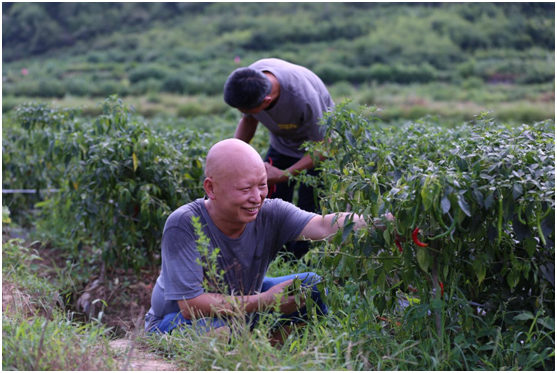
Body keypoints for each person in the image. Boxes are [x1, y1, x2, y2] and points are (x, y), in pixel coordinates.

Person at [144, 139, 391, 340]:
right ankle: (249, 346)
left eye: (262, 185)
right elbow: (190, 305)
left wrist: (386, 221)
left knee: (310, 285)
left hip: (243, 303)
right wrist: (263, 301)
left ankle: (272, 348)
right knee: (219, 333)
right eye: (244, 189)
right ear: (211, 188)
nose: (257, 197)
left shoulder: (271, 212)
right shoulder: (184, 223)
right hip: (178, 319)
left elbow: (324, 225)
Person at [223, 58, 334, 259]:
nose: (243, 114)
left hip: (317, 149)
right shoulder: (251, 79)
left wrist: (284, 174)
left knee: (309, 207)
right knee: (270, 203)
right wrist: (230, 156)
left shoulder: (303, 97)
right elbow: (248, 120)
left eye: (245, 110)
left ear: (266, 102)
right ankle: (276, 257)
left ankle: (300, 263)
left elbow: (324, 147)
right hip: (282, 146)